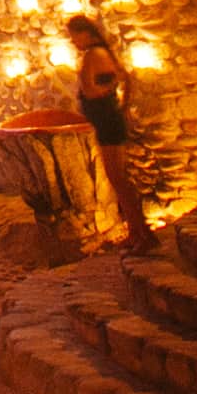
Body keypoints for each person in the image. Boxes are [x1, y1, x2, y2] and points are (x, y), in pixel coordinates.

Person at [65, 15, 157, 255]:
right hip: (111, 116)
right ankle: (137, 233)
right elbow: (124, 79)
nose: (72, 41)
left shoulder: (92, 55)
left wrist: (99, 95)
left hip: (106, 120)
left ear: (85, 33)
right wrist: (122, 105)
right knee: (119, 178)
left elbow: (88, 89)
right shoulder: (106, 52)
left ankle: (143, 235)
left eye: (73, 36)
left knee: (118, 179)